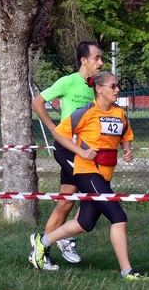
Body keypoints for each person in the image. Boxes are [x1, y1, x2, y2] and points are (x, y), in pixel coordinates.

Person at [30, 71, 149, 280]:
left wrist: (127, 149)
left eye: (117, 86)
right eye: (113, 86)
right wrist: (81, 152)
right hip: (86, 169)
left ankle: (42, 241)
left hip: (104, 173)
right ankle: (127, 271)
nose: (117, 90)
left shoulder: (120, 113)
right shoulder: (85, 112)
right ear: (99, 89)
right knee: (118, 217)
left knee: (85, 223)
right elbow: (59, 133)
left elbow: (125, 135)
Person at [29, 41, 104, 270]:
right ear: (84, 60)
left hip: (85, 150)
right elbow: (37, 102)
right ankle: (63, 237)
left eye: (101, 58)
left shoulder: (95, 87)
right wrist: (53, 128)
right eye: (97, 58)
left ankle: (40, 250)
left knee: (64, 203)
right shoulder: (68, 81)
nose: (101, 63)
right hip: (68, 149)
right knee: (95, 192)